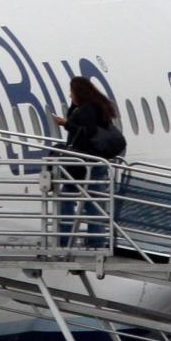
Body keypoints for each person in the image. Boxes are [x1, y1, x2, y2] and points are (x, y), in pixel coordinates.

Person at [50, 76, 118, 249]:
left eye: (72, 92)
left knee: (68, 200)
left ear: (78, 93)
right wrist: (73, 109)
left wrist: (66, 123)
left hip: (84, 163)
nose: (69, 95)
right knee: (93, 203)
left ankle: (65, 239)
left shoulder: (87, 110)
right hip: (94, 161)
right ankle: (95, 240)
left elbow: (88, 132)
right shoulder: (96, 107)